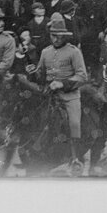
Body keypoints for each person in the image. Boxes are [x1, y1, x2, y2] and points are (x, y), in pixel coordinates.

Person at [35, 13, 89, 173]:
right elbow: (41, 73)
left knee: (73, 123)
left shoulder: (74, 52)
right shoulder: (45, 52)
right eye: (53, 36)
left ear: (65, 36)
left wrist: (62, 84)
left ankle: (75, 158)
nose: (56, 39)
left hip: (69, 95)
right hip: (48, 94)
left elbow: (82, 76)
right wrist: (34, 73)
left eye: (59, 36)